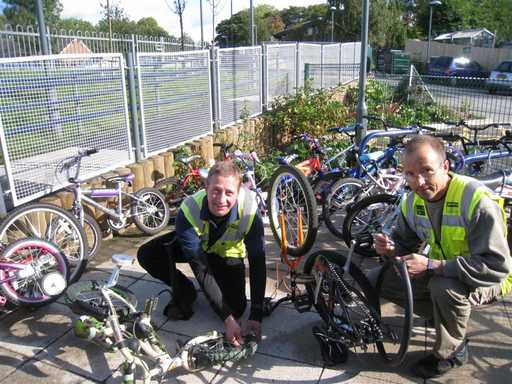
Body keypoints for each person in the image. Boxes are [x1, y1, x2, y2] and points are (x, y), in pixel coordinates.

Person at [372, 135, 512, 379]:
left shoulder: (476, 202)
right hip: (440, 269)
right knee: (380, 279)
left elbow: (496, 266)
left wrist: (433, 265)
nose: (420, 182)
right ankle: (445, 318)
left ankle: (452, 352)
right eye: (410, 174)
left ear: (445, 167)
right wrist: (392, 249)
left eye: (427, 171)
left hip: (489, 280)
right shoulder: (412, 202)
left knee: (443, 288)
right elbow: (406, 245)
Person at [137, 161, 266, 346]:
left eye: (229, 193)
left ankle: (221, 284)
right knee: (147, 254)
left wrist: (256, 314)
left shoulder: (250, 210)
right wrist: (227, 321)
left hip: (227, 255)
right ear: (206, 187)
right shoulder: (189, 209)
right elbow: (201, 269)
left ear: (239, 192)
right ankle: (186, 290)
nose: (221, 199)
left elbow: (258, 262)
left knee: (236, 309)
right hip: (200, 250)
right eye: (216, 190)